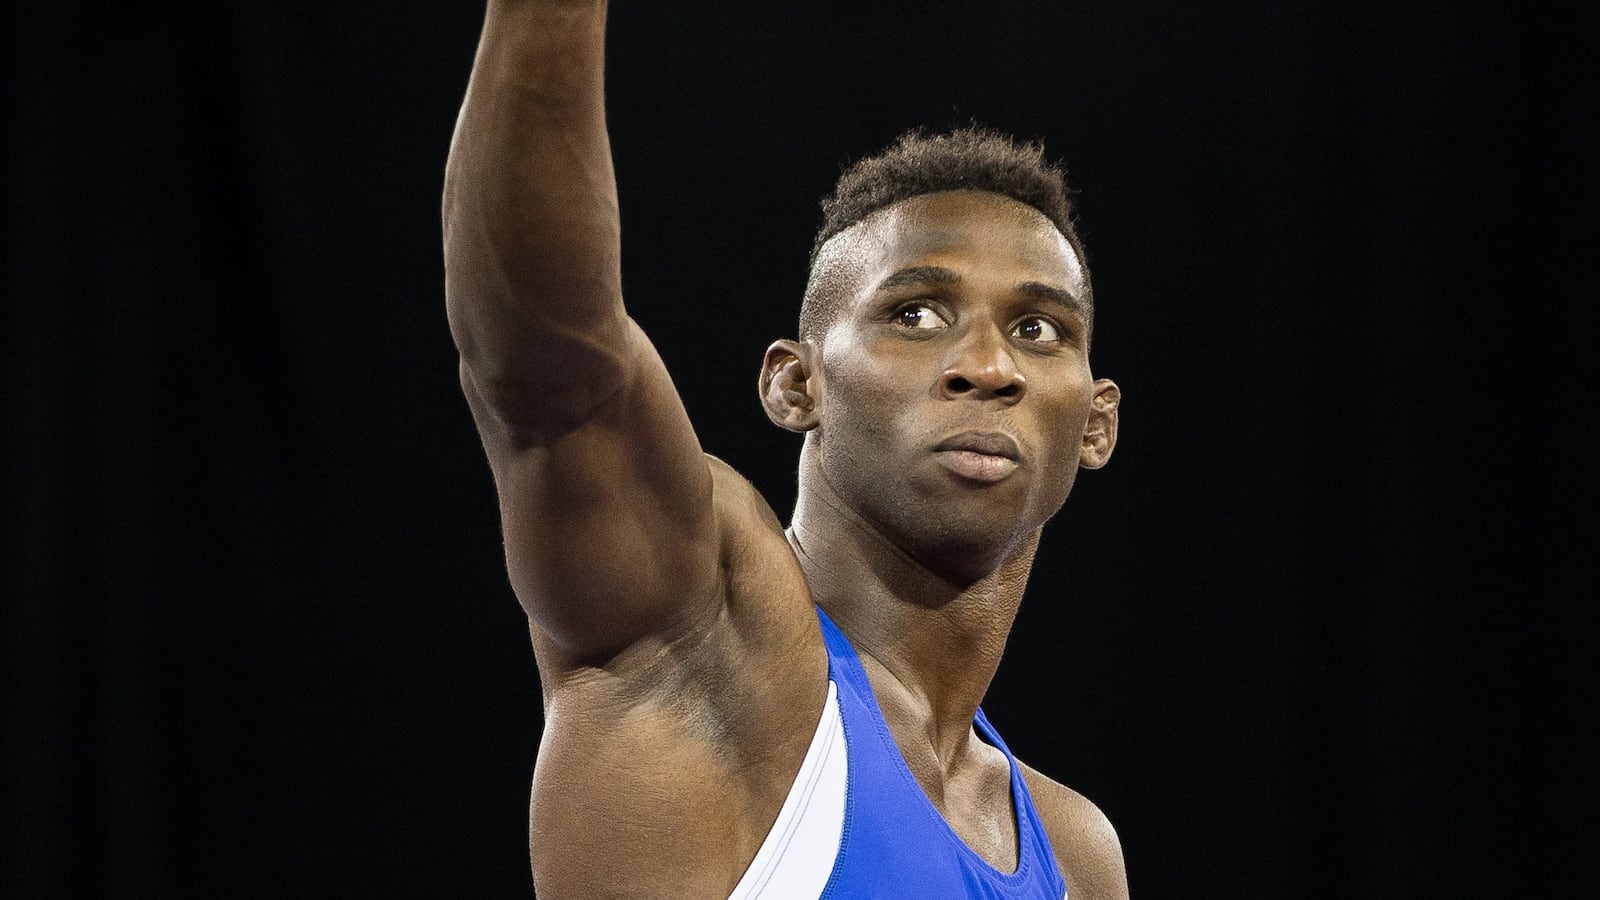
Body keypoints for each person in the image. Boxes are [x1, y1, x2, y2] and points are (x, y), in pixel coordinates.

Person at [443, 2, 1128, 897]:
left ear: (1095, 424)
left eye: (1037, 328)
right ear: (794, 384)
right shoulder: (701, 641)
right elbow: (548, 365)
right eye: (915, 314)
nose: (989, 366)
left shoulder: (1076, 856)